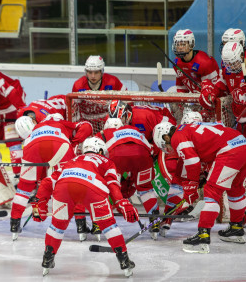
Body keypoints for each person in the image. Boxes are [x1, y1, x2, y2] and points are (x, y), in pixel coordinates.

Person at [31, 137, 138, 277]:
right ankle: (124, 260)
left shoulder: (71, 161)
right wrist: (122, 203)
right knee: (108, 224)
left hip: (63, 187)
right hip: (92, 187)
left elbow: (47, 182)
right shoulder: (107, 161)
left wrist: (39, 204)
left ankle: (47, 259)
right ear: (100, 150)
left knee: (57, 225)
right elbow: (112, 184)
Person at [153, 121, 246, 253]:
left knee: (211, 191)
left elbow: (193, 162)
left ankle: (203, 235)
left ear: (166, 136)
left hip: (229, 150)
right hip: (241, 144)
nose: (169, 148)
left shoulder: (177, 138)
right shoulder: (188, 129)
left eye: (166, 145)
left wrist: (191, 187)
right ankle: (236, 228)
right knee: (236, 189)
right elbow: (208, 147)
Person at [10, 113, 93, 240]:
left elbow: (42, 178)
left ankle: (14, 224)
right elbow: (88, 126)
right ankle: (81, 225)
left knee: (24, 188)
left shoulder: (36, 128)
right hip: (60, 144)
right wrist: (74, 142)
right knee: (72, 185)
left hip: (32, 145)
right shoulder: (62, 123)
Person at [97, 118, 161, 238]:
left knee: (109, 186)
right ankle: (155, 221)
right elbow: (153, 149)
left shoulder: (104, 133)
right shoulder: (134, 129)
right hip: (143, 156)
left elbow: (93, 152)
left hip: (117, 157)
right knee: (146, 189)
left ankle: (98, 222)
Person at [171, 29, 226, 110]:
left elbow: (214, 89)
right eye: (177, 44)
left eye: (183, 44)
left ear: (191, 44)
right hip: (198, 102)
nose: (179, 47)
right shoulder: (177, 62)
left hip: (217, 102)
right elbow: (181, 88)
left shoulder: (204, 62)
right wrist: (180, 105)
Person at [221, 41, 246, 136]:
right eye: (228, 63)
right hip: (240, 119)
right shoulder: (228, 71)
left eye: (234, 63)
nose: (231, 66)